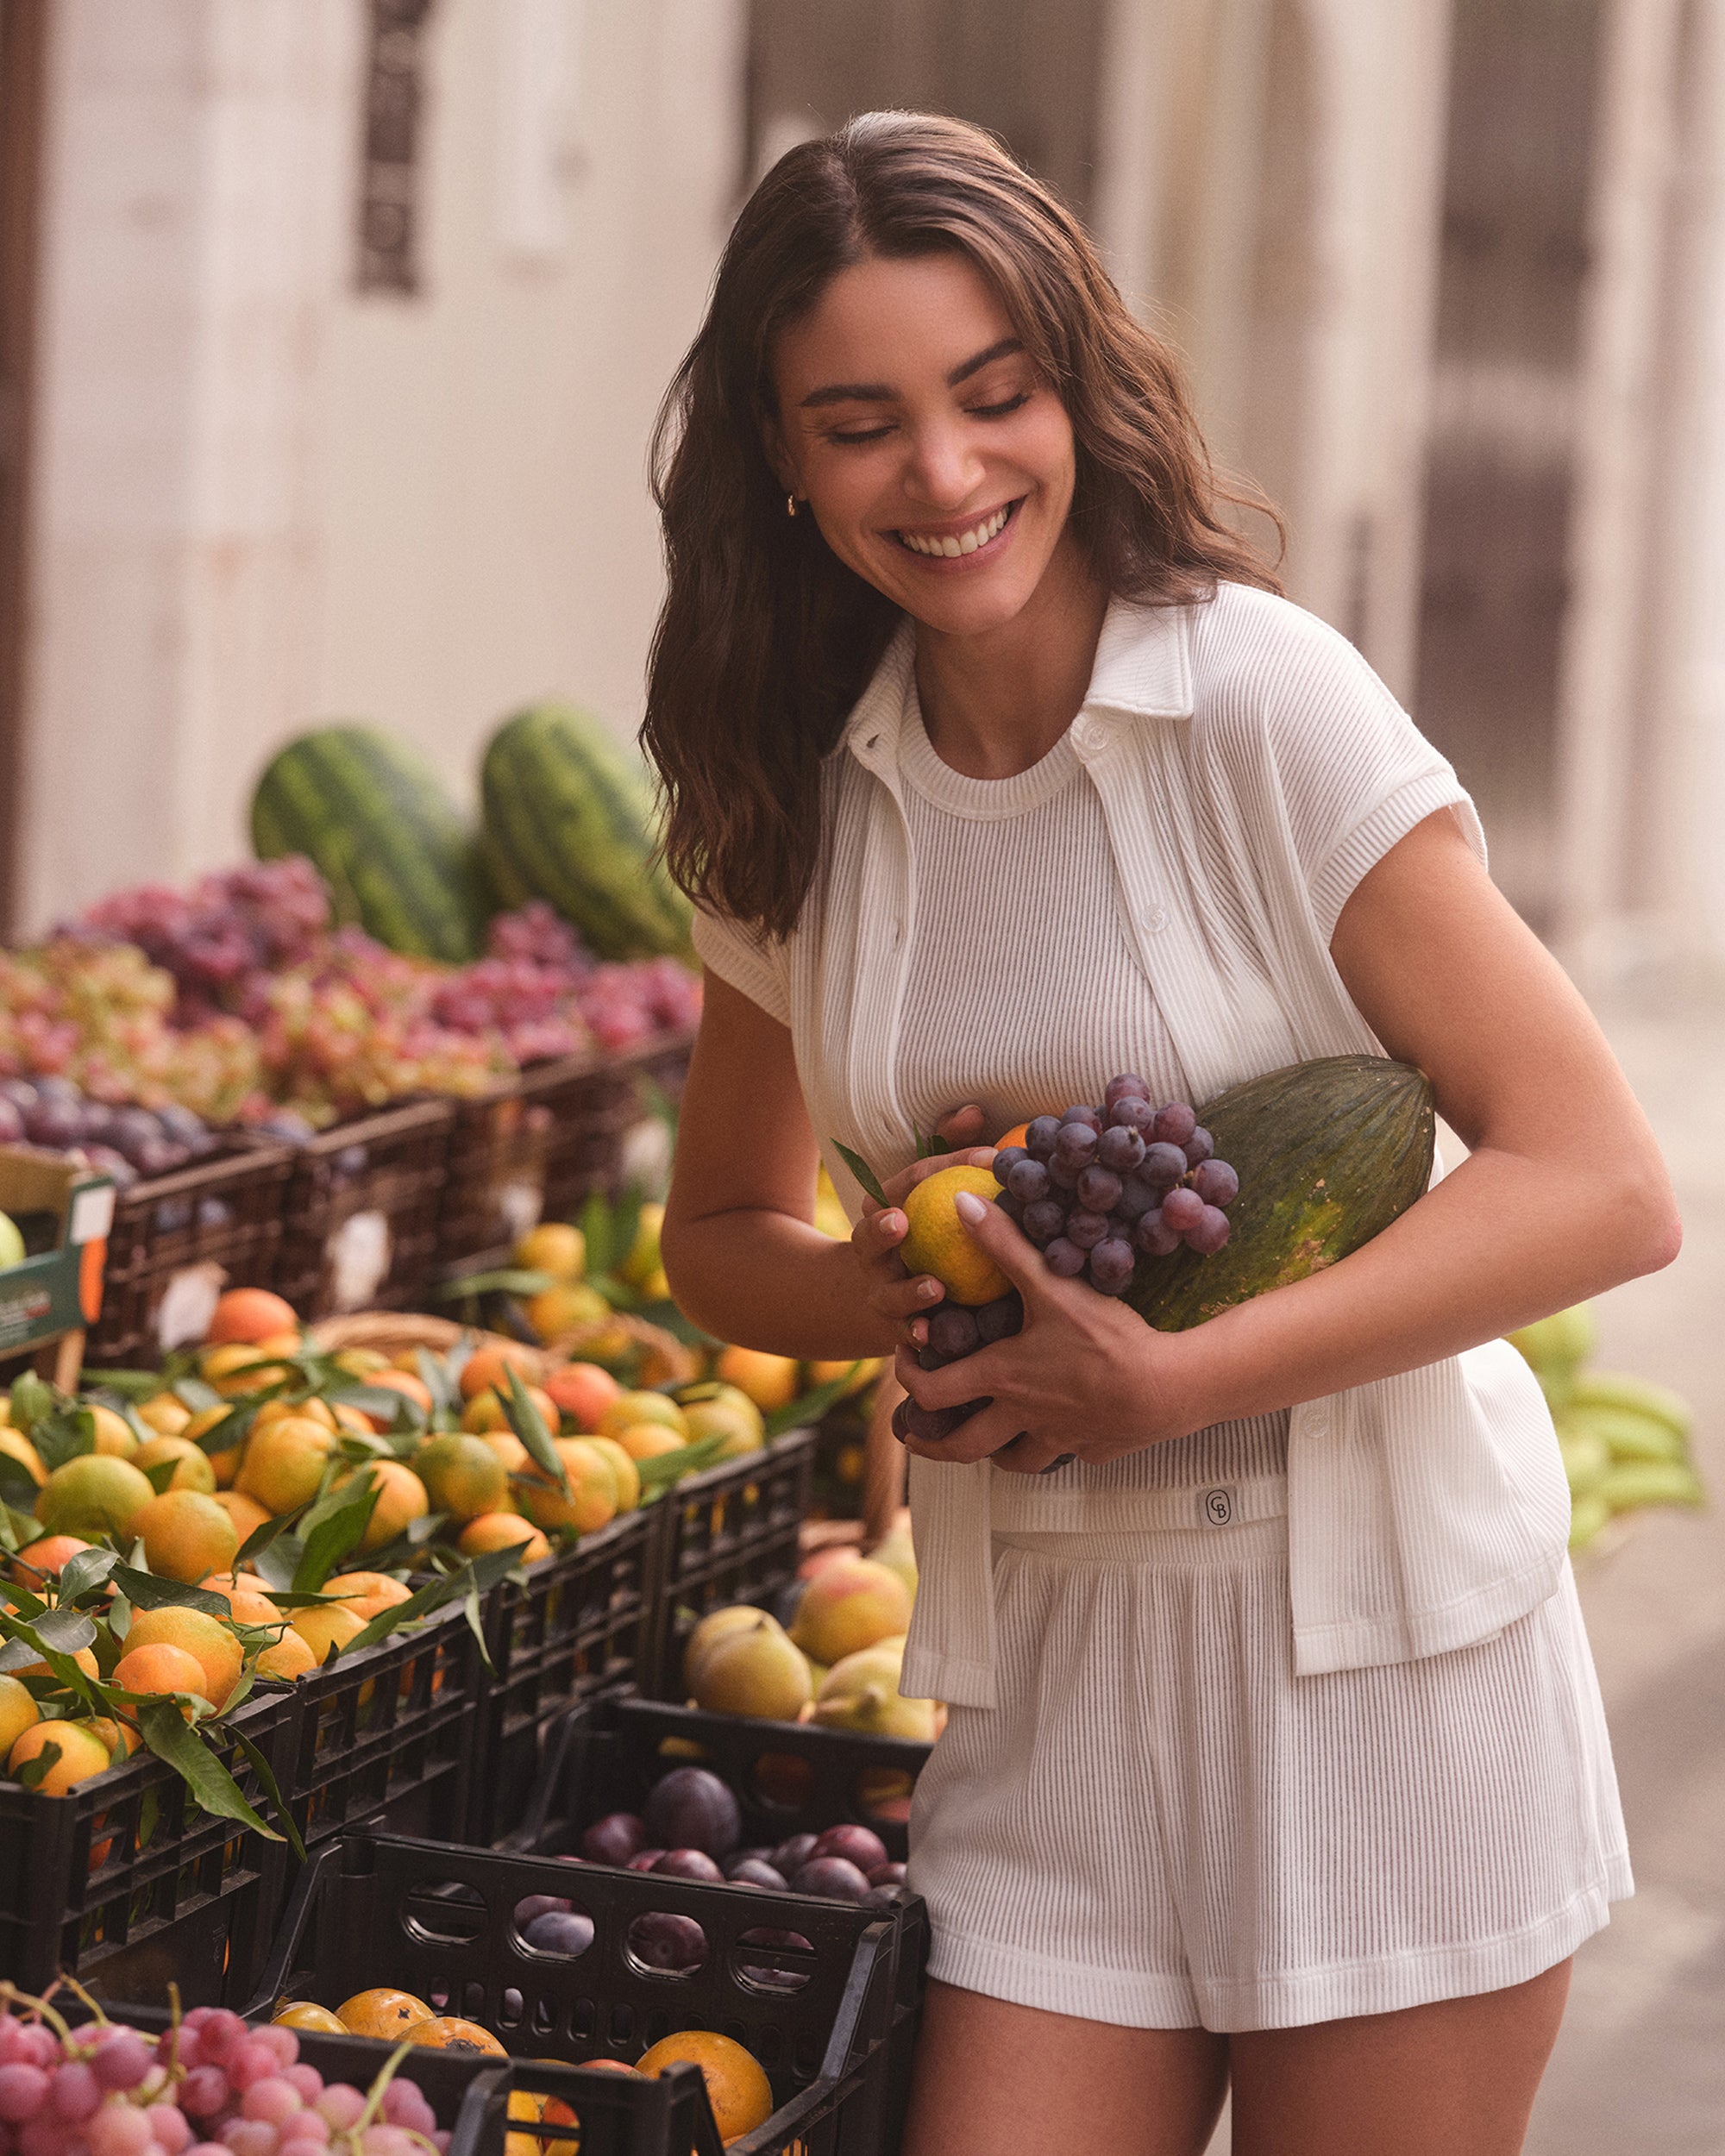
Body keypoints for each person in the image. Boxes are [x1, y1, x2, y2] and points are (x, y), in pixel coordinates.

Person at [646, 111, 1679, 2156]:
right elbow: (720, 1231)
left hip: (1376, 1672)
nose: (943, 477)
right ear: (779, 456)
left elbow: (1601, 1176)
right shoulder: (797, 794)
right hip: (1047, 1694)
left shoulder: (1258, 709)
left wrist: (1172, 1373)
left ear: (1072, 388)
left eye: (990, 395)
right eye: (859, 423)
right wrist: (895, 1271)